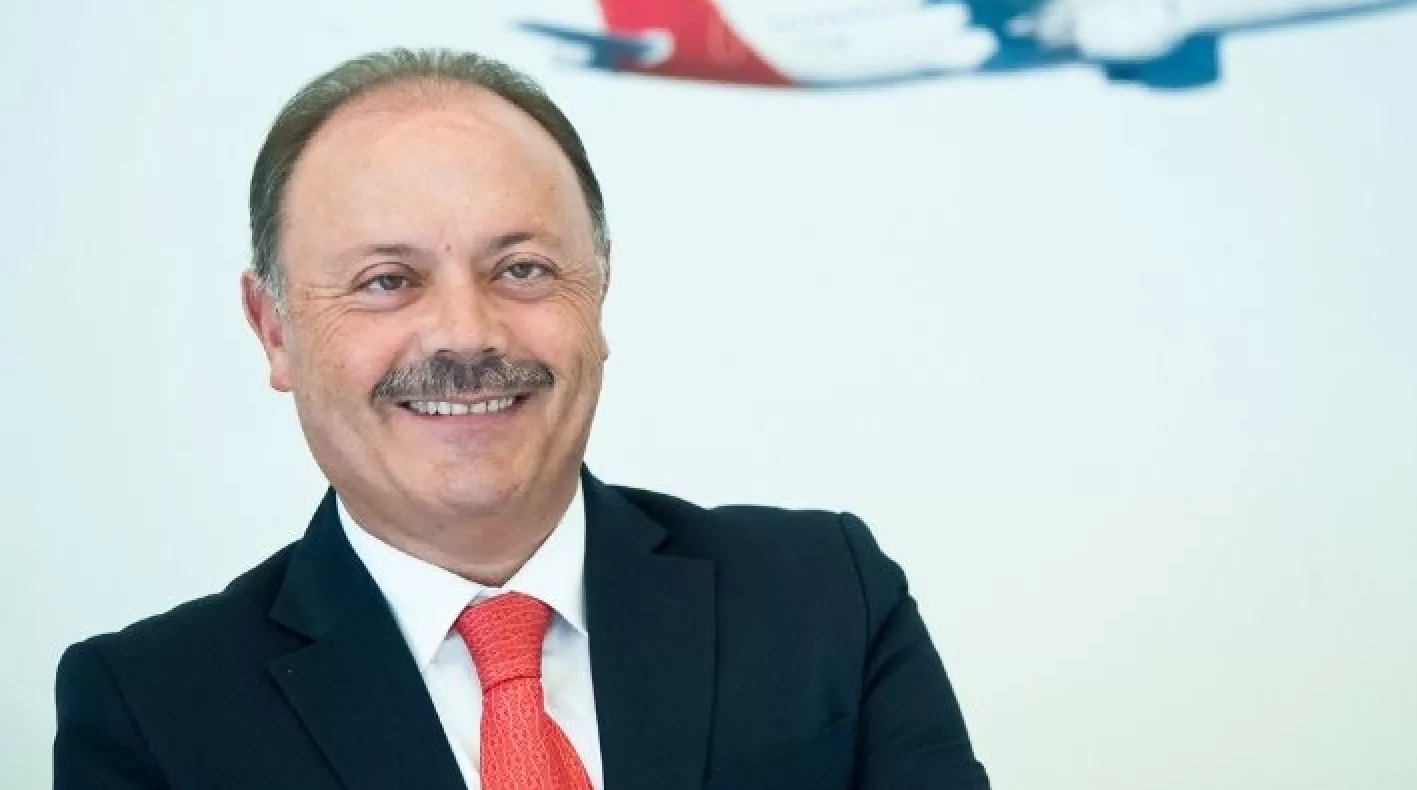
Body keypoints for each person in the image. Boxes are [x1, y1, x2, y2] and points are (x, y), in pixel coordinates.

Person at [52, 48, 989, 790]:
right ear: (273, 331)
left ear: (599, 291)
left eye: (523, 269)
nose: (466, 333)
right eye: (388, 281)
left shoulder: (826, 599)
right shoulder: (151, 711)